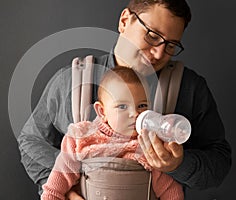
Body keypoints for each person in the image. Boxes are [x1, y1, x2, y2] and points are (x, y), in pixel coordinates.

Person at [18, 0, 232, 199]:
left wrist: (179, 164)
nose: (158, 53)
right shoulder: (72, 81)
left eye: (170, 45)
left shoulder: (189, 88)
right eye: (152, 35)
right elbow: (30, 141)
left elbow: (220, 162)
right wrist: (61, 187)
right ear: (124, 21)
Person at [41, 66, 183, 200]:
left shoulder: (150, 145)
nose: (134, 113)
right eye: (122, 106)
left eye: (142, 106)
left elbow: (170, 191)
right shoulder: (81, 138)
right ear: (102, 112)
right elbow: (54, 190)